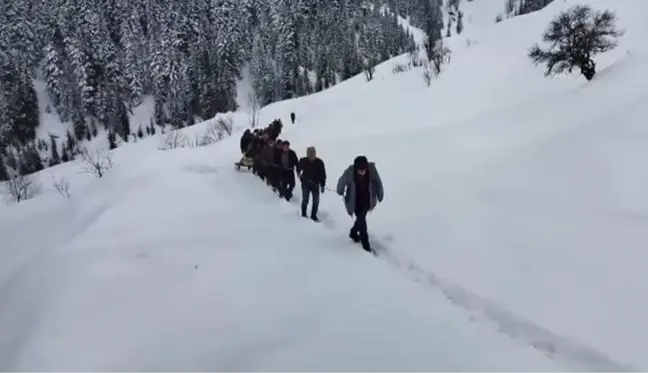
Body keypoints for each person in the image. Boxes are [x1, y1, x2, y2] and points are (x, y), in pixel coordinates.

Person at [336, 155, 384, 253]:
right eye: (360, 170)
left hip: (367, 200)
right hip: (355, 201)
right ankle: (366, 247)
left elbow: (378, 182)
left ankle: (353, 233)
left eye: (364, 170)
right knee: (362, 222)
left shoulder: (371, 169)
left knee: (361, 219)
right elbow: (342, 180)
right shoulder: (350, 171)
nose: (362, 172)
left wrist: (380, 194)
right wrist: (340, 190)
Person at [297, 146, 326, 221]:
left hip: (315, 185)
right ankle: (303, 214)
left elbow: (323, 175)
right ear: (307, 154)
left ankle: (313, 216)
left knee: (316, 201)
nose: (311, 156)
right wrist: (299, 174)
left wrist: (323, 185)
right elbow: (298, 168)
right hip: (305, 184)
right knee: (305, 200)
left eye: (313, 154)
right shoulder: (303, 161)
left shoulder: (320, 162)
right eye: (310, 155)